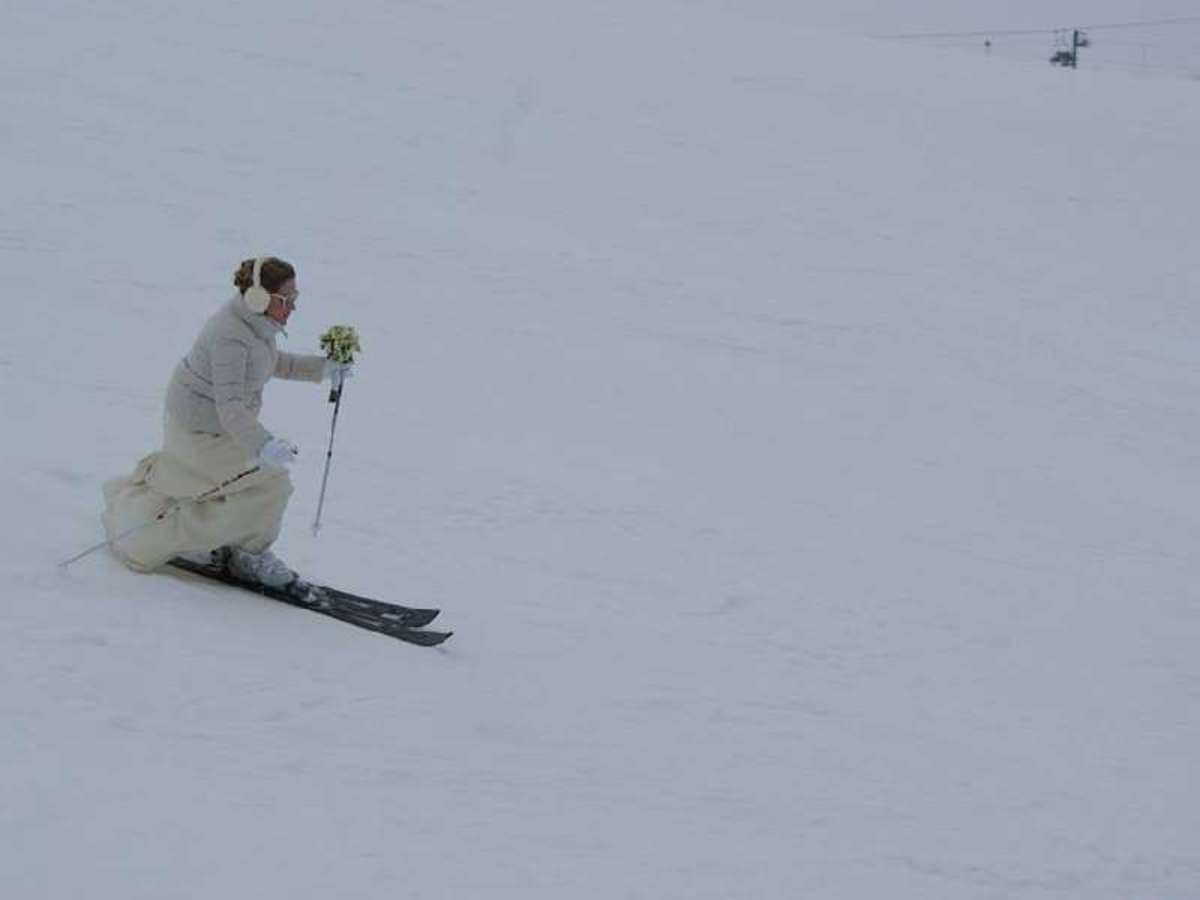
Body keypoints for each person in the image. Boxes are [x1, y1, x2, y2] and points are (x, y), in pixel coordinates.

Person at [101, 256, 352, 591]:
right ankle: (246, 552)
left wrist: (323, 369)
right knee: (271, 483)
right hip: (199, 433)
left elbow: (271, 363)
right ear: (259, 298)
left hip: (217, 427)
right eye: (286, 300)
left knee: (256, 485)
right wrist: (263, 444)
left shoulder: (256, 326)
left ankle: (237, 544)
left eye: (295, 299)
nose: (292, 307)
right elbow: (230, 405)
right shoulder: (230, 336)